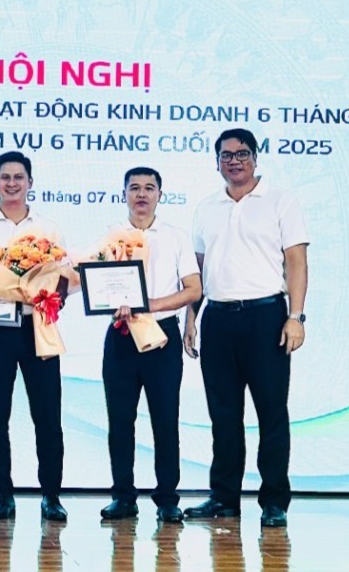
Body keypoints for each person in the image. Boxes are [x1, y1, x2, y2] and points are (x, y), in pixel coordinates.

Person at [184, 128, 308, 529]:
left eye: (242, 154)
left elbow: (297, 262)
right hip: (218, 318)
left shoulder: (280, 201)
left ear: (256, 157)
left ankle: (274, 502)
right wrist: (191, 318)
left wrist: (296, 317)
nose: (234, 161)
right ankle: (224, 498)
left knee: (271, 412)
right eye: (226, 155)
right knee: (223, 414)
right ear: (216, 161)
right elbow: (198, 270)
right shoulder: (207, 207)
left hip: (266, 317)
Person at [0, 150, 67, 522]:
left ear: (30, 183)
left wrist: (53, 298)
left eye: (19, 177)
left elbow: (64, 278)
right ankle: (3, 495)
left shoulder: (49, 229)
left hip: (38, 328)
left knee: (48, 417)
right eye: (5, 177)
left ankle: (51, 496)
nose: (12, 183)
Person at [97, 167, 201, 524]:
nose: (142, 194)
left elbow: (193, 289)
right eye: (135, 188)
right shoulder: (111, 237)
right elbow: (97, 284)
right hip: (122, 335)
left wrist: (151, 305)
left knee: (165, 420)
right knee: (120, 422)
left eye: (149, 188)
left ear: (160, 194)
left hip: (162, 337)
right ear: (124, 194)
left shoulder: (175, 237)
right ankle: (123, 497)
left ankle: (167, 500)